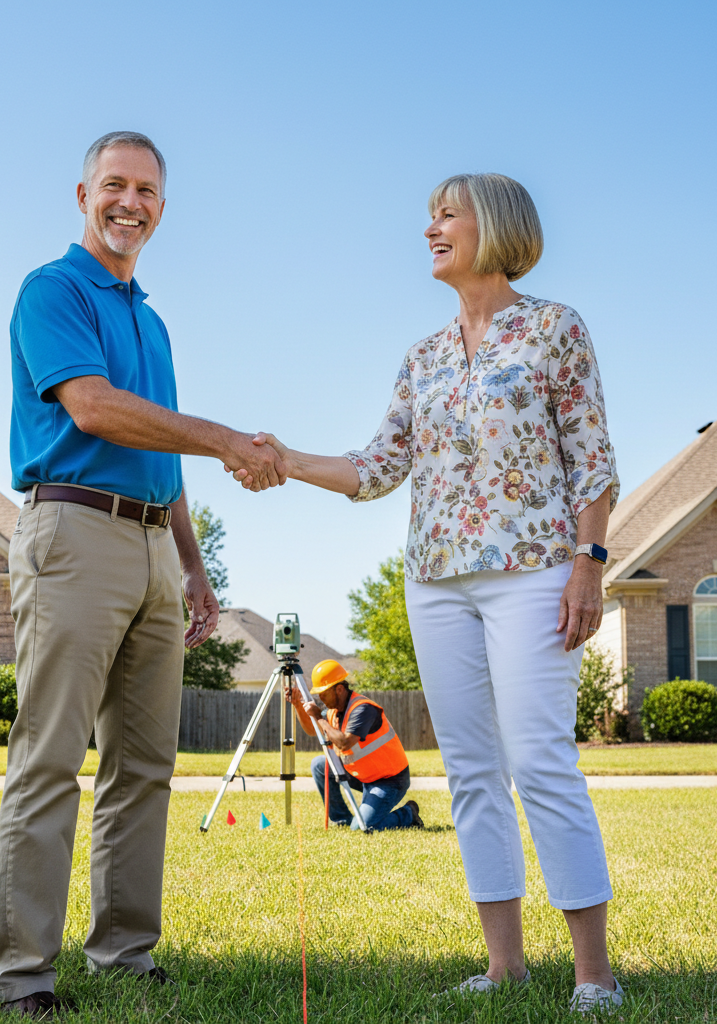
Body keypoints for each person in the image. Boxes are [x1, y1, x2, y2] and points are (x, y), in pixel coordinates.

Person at [232, 173, 623, 1014]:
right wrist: (286, 458)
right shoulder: (425, 357)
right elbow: (377, 467)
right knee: (474, 770)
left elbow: (594, 463)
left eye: (447, 215)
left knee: (541, 759)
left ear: (498, 227)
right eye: (429, 217)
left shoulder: (555, 330)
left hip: (536, 572)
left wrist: (589, 562)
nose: (430, 230)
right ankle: (504, 965)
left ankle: (594, 973)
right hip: (437, 581)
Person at [0, 131, 285, 1017]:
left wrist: (193, 566)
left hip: (155, 545)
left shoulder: (150, 318)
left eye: (147, 190)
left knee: (144, 765)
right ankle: (23, 978)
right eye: (114, 185)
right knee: (50, 759)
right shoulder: (53, 290)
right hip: (72, 533)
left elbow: (161, 449)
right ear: (82, 194)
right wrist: (229, 437)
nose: (130, 202)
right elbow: (96, 408)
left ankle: (124, 953)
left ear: (162, 205)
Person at [291, 658, 423, 830]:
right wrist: (298, 706)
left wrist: (318, 717)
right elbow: (311, 730)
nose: (319, 697)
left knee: (363, 827)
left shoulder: (363, 709)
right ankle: (341, 819)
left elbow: (345, 743)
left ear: (339, 689)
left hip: (388, 781)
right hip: (361, 776)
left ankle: (408, 814)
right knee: (318, 765)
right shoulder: (332, 711)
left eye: (323, 692)